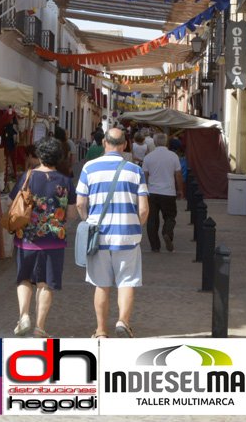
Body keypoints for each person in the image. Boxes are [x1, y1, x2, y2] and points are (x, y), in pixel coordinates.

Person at [76, 128, 149, 339]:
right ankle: (123, 322)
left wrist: (88, 221)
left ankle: (101, 330)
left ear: (104, 143)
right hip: (127, 235)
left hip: (98, 236)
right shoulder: (135, 171)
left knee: (101, 284)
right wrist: (136, 225)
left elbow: (80, 203)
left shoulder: (89, 168)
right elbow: (144, 209)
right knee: (127, 281)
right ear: (125, 145)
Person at [9, 137, 78, 337]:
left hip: (27, 239)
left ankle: (24, 316)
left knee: (24, 279)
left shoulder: (27, 177)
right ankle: (39, 327)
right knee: (45, 283)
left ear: (39, 155)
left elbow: (14, 203)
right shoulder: (65, 181)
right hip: (54, 240)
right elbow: (72, 214)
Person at [141, 133, 184, 252]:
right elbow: (178, 175)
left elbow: (145, 175)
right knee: (170, 216)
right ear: (166, 142)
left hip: (152, 192)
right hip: (168, 192)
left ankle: (155, 246)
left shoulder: (148, 157)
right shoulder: (173, 156)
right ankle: (167, 232)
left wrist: (144, 190)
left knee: (152, 220)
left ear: (154, 143)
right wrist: (180, 190)